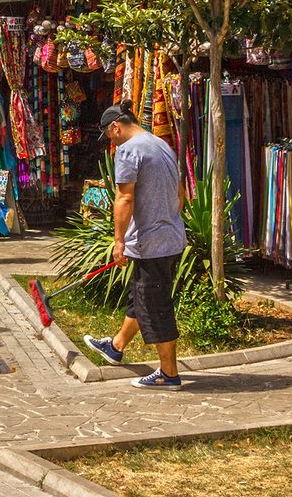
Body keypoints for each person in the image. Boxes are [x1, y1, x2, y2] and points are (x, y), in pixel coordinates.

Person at [83, 99, 188, 391]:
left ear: (116, 127)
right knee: (141, 297)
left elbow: (125, 198)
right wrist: (166, 220)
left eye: (110, 135)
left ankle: (169, 375)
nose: (111, 142)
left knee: (156, 306)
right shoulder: (160, 144)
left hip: (151, 243)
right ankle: (116, 346)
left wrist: (119, 241)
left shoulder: (129, 151)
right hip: (170, 238)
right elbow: (180, 194)